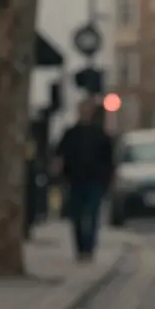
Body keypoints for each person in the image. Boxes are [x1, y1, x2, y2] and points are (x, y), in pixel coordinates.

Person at [53, 99, 114, 262]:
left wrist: (107, 180)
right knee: (77, 216)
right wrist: (59, 175)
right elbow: (60, 155)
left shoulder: (100, 134)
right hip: (75, 180)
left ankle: (89, 248)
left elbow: (109, 160)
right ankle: (80, 248)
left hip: (95, 181)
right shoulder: (71, 133)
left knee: (92, 214)